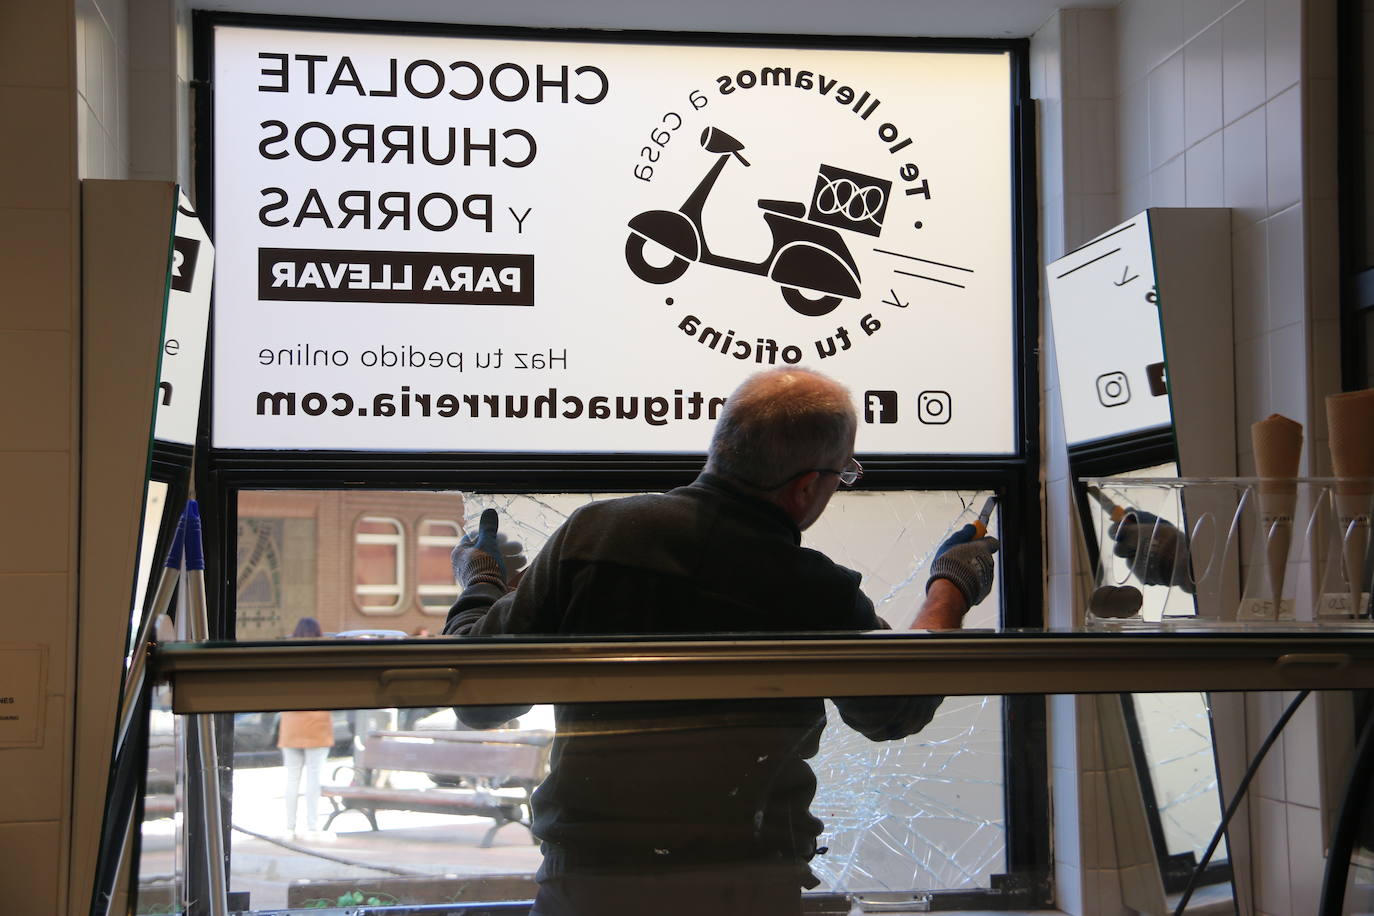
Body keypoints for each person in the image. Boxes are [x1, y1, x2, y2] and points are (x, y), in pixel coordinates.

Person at [443, 367, 999, 916]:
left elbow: (479, 698)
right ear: (807, 485)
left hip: (590, 885)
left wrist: (481, 581)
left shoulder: (595, 536)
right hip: (747, 888)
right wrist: (949, 589)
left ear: (722, 448)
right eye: (842, 475)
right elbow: (894, 711)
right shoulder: (813, 589)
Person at [278, 617, 333, 839]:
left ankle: (289, 828)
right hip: (317, 723)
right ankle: (312, 827)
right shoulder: (323, 655)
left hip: (291, 723)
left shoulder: (287, 656)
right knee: (314, 779)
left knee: (291, 780)